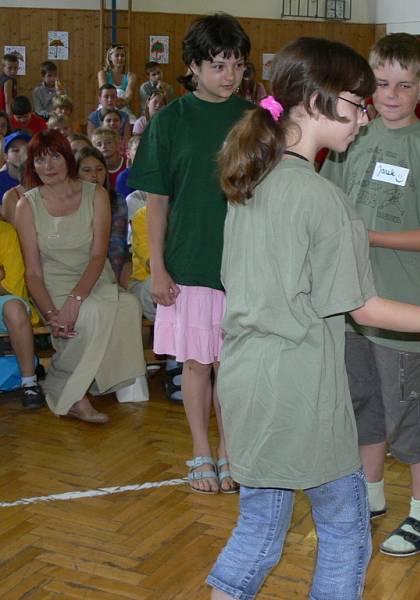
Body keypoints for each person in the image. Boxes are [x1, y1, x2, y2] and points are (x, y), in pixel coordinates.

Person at [208, 36, 420, 600]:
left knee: (259, 533)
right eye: (356, 105)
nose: (362, 118)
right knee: (346, 532)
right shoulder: (322, 197)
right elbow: (364, 308)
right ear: (319, 104)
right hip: (301, 390)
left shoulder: (251, 180)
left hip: (247, 380)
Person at [320, 32, 420, 557]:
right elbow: (329, 206)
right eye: (381, 83)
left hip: (403, 306)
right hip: (352, 303)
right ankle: (372, 493)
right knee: (364, 403)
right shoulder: (353, 139)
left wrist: (372, 236)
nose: (390, 94)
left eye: (404, 85)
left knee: (409, 409)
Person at [128, 12, 253, 494]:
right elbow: (156, 202)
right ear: (195, 67)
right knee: (198, 364)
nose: (230, 75)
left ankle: (230, 451)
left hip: (244, 265)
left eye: (238, 65)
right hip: (189, 261)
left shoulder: (254, 118)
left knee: (234, 367)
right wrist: (158, 268)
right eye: (219, 65)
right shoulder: (169, 120)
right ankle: (201, 449)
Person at [15, 130, 146, 423]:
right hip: (51, 285)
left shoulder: (95, 194)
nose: (48, 166)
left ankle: (85, 380)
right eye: (40, 160)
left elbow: (99, 255)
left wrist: (75, 300)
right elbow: (32, 272)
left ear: (68, 159)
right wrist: (51, 313)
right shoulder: (28, 204)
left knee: (128, 306)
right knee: (95, 313)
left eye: (55, 157)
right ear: (32, 166)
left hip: (94, 276)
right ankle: (73, 395)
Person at [0, 218, 45, 409]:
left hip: (3, 301)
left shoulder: (6, 232)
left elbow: (12, 289)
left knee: (14, 309)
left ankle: (29, 383)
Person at [76, 146, 130, 284]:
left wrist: (113, 282)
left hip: (111, 268)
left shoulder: (116, 200)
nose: (94, 175)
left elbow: (116, 245)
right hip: (76, 269)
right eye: (86, 170)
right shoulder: (69, 202)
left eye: (99, 169)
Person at [97, 44, 137, 118]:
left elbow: (129, 92)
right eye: (117, 55)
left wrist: (124, 101)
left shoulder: (131, 76)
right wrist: (114, 101)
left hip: (123, 107)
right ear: (110, 58)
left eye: (122, 55)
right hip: (106, 106)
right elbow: (104, 91)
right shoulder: (103, 74)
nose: (120, 58)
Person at [1, 131, 29, 201]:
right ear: (6, 157)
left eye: (26, 149)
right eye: (16, 150)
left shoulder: (39, 177)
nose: (22, 153)